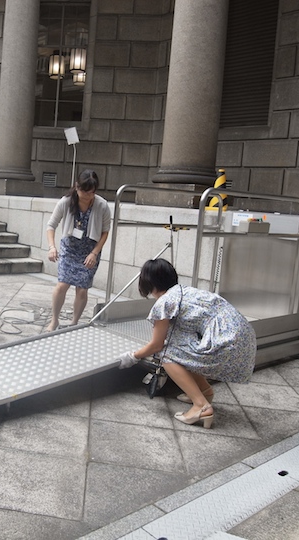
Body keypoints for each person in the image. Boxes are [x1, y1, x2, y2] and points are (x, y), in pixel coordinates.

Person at [117, 258, 256, 428]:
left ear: (148, 282)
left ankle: (201, 406)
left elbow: (157, 345)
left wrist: (133, 356)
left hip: (227, 343)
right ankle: (204, 391)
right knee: (182, 348)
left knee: (166, 354)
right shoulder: (184, 291)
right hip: (244, 339)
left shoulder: (165, 301)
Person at [45, 170, 111, 332]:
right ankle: (54, 320)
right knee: (62, 285)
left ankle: (74, 323)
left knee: (82, 289)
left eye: (91, 192)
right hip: (70, 247)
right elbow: (51, 226)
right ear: (77, 187)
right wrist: (52, 247)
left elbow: (105, 232)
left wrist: (94, 253)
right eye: (84, 191)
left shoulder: (102, 205)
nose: (87, 196)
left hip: (90, 249)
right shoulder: (66, 202)